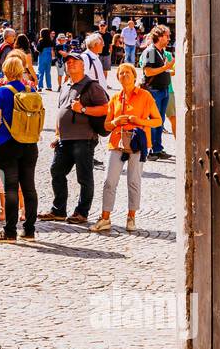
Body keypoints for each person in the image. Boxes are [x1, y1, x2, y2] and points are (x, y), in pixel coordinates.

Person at [39, 53, 110, 225]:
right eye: (67, 62)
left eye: (74, 62)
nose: (70, 64)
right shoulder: (65, 85)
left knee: (84, 177)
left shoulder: (92, 86)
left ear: (83, 65)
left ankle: (81, 212)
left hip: (84, 138)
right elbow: (60, 111)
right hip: (64, 139)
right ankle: (59, 210)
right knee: (56, 171)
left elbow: (106, 108)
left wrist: (83, 109)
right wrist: (57, 134)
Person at [93, 63, 161, 233]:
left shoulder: (145, 96)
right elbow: (107, 125)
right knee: (109, 181)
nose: (124, 75)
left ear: (134, 76)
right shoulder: (115, 98)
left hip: (138, 143)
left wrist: (140, 121)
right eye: (121, 73)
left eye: (128, 72)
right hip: (117, 143)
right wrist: (115, 122)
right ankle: (105, 218)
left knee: (133, 181)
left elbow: (158, 121)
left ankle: (131, 217)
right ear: (118, 78)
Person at [0, 52, 42, 242]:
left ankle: (9, 231)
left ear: (5, 71)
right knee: (29, 187)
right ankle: (29, 230)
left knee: (10, 187)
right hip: (29, 144)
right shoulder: (31, 90)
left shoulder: (2, 92)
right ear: (21, 71)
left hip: (6, 144)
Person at [141, 24, 175, 160]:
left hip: (163, 89)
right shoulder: (151, 51)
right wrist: (166, 67)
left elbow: (159, 69)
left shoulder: (160, 51)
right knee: (155, 121)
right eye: (167, 35)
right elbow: (147, 71)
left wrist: (167, 70)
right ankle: (152, 150)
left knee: (159, 121)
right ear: (159, 37)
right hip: (154, 90)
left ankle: (157, 149)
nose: (169, 38)